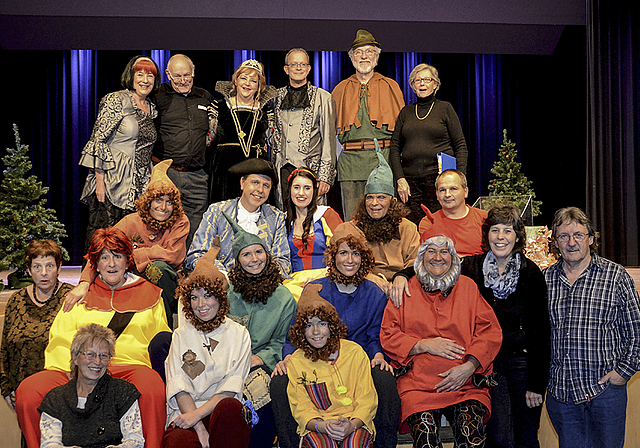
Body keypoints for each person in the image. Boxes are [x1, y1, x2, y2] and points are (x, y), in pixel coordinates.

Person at [15, 227, 171, 448]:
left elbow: (159, 344)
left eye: (117, 256)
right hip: (76, 370)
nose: (111, 263)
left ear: (128, 261)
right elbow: (60, 339)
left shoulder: (152, 296)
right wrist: (74, 376)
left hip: (128, 369)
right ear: (95, 264)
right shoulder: (79, 296)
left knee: (152, 387)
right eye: (104, 257)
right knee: (29, 392)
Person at [272, 233, 399, 448]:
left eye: (356, 254)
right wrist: (289, 358)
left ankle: (379, 441)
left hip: (359, 358)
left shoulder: (375, 293)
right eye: (343, 253)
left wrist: (378, 354)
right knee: (280, 381)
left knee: (384, 378)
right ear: (333, 257)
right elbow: (297, 330)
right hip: (315, 357)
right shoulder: (316, 288)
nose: (349, 260)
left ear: (364, 259)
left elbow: (376, 333)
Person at [381, 229, 502, 448]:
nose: (438, 257)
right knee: (425, 441)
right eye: (431, 251)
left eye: (444, 251)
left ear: (454, 258)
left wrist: (470, 366)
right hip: (418, 386)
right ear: (421, 257)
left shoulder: (468, 287)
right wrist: (421, 345)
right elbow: (388, 334)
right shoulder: (405, 289)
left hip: (465, 384)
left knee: (471, 439)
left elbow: (490, 332)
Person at [544, 207, 640, 448]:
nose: (571, 242)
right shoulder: (544, 279)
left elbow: (637, 331)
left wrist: (624, 372)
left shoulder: (616, 276)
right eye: (563, 236)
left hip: (605, 393)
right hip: (561, 394)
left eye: (578, 235)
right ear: (555, 242)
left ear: (591, 238)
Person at [461, 204, 550, 448]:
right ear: (486, 234)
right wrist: (402, 276)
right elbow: (434, 265)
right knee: (499, 438)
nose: (501, 237)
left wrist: (536, 385)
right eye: (495, 230)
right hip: (488, 366)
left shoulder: (531, 273)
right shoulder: (470, 268)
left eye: (508, 231)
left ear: (518, 236)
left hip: (523, 367)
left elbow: (541, 332)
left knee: (526, 437)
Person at [65, 159, 189, 326]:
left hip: (168, 285)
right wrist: (84, 282)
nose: (163, 207)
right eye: (158, 200)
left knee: (158, 268)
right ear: (149, 202)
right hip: (132, 279)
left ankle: (163, 328)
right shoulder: (131, 221)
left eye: (169, 202)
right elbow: (100, 250)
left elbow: (172, 256)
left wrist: (135, 253)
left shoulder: (180, 222)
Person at [163, 239, 252, 448]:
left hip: (222, 413)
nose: (201, 304)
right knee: (177, 442)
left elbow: (231, 387)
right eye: (194, 297)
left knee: (230, 407)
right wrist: (198, 427)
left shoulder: (239, 334)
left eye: (208, 296)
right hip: (186, 412)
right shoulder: (180, 335)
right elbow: (179, 385)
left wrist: (199, 416)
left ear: (220, 298)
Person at [223, 211, 297, 448]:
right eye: (246, 254)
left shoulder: (284, 297)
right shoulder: (225, 294)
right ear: (237, 260)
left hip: (262, 364)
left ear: (267, 255)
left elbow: (281, 341)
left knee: (262, 391)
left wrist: (261, 358)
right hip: (227, 362)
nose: (254, 259)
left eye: (258, 252)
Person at [79, 55, 160, 250]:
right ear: (130, 77)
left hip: (140, 187)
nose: (145, 80)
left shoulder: (152, 108)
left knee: (130, 243)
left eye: (150, 76)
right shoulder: (116, 100)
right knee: (104, 241)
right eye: (139, 74)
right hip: (113, 182)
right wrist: (100, 183)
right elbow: (98, 140)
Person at [286, 284, 378, 448]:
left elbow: (367, 398)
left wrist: (352, 425)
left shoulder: (355, 352)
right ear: (301, 331)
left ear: (332, 326)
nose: (315, 331)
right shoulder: (296, 361)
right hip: (318, 425)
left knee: (353, 445)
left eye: (322, 324)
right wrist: (321, 426)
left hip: (355, 421)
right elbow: (300, 406)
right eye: (308, 325)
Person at [332, 29, 405, 220]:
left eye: (369, 51)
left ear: (377, 56)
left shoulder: (390, 86)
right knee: (353, 220)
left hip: (383, 160)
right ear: (351, 57)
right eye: (358, 52)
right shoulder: (340, 89)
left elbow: (402, 131)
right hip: (350, 165)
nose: (363, 56)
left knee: (385, 220)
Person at [333, 141, 420, 296]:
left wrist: (402, 276)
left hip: (400, 287)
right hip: (360, 286)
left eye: (381, 197)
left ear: (392, 201)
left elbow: (416, 262)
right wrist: (367, 276)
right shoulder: (348, 229)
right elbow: (337, 261)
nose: (374, 203)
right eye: (370, 197)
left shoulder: (407, 228)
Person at [38, 324, 144, 448]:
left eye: (104, 355)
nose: (97, 362)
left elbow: (135, 442)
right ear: (75, 357)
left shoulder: (123, 392)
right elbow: (49, 446)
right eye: (90, 354)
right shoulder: (55, 399)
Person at [389, 63, 468, 223]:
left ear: (435, 84)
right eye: (417, 80)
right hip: (410, 183)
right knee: (413, 227)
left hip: (439, 180)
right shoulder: (406, 112)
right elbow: (395, 147)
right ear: (413, 86)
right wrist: (400, 179)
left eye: (426, 79)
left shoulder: (445, 108)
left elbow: (460, 145)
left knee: (439, 226)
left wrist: (459, 177)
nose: (422, 83)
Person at [0, 240, 74, 412]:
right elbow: (4, 349)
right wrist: (6, 388)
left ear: (59, 267)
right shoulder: (16, 300)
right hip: (22, 396)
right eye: (37, 267)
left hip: (62, 396)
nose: (44, 273)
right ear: (29, 269)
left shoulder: (71, 298)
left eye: (49, 266)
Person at [185, 158, 291, 276]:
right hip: (222, 285)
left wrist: (260, 278)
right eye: (255, 182)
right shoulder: (217, 211)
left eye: (266, 185)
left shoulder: (276, 217)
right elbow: (196, 255)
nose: (260, 190)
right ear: (242, 183)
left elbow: (283, 261)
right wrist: (224, 276)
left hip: (262, 287)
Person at [151, 54, 215, 247]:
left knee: (196, 227)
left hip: (197, 176)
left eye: (186, 75)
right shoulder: (156, 96)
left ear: (193, 71)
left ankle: (190, 271)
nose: (182, 80)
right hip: (166, 173)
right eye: (177, 76)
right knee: (162, 223)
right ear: (168, 75)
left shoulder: (205, 96)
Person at [272, 48, 337, 208]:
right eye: (294, 64)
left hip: (310, 170)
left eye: (303, 64)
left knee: (312, 220)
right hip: (282, 170)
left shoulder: (323, 97)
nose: (299, 68)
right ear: (286, 69)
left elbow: (329, 140)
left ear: (308, 68)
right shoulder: (275, 98)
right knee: (285, 218)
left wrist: (325, 176)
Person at [208, 59, 277, 203]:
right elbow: (208, 137)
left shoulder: (265, 111)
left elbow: (273, 141)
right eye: (243, 78)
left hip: (256, 166)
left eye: (253, 80)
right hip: (225, 167)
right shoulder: (219, 106)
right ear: (235, 81)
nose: (247, 84)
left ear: (259, 86)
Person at [282, 168, 343, 297]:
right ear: (290, 190)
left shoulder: (326, 214)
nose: (301, 193)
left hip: (328, 277)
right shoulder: (283, 220)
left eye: (307, 188)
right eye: (296, 187)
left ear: (314, 191)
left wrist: (322, 276)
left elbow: (343, 252)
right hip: (293, 283)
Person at [418, 169, 487, 257]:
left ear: (465, 192)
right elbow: (431, 257)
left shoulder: (485, 218)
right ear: (437, 194)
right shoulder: (428, 222)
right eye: (442, 190)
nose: (447, 194)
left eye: (453, 189)